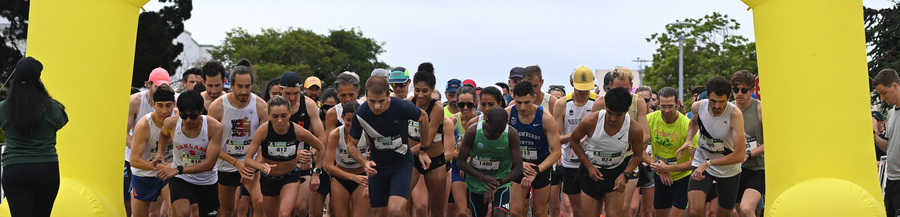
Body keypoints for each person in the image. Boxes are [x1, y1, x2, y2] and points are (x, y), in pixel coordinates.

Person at [346, 75, 429, 217]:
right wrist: (364, 163)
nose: (377, 106)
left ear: (389, 96)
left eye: (381, 101)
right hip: (378, 167)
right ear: (365, 96)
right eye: (372, 101)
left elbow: (424, 118)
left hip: (401, 163)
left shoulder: (401, 107)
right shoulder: (361, 114)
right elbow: (351, 145)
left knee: (395, 210)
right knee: (380, 214)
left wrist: (423, 150)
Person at [0, 57, 68, 217]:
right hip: (46, 169)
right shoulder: (53, 107)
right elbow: (62, 121)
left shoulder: (3, 108)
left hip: (14, 169)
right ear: (38, 79)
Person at [675, 77, 747, 217]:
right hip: (702, 161)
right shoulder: (698, 107)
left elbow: (739, 155)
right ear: (707, 96)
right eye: (713, 101)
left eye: (722, 102)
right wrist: (689, 138)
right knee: (695, 212)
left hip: (728, 170)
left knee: (723, 214)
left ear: (729, 97)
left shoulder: (735, 115)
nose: (717, 106)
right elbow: (694, 122)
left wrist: (709, 163)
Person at [241, 96, 324, 217]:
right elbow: (247, 160)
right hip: (269, 179)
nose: (280, 120)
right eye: (275, 116)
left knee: (284, 214)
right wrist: (260, 166)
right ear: (269, 114)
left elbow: (321, 147)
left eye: (283, 116)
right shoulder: (263, 131)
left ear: (290, 114)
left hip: (289, 178)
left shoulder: (297, 131)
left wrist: (316, 173)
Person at [568, 87, 646, 217]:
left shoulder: (634, 129)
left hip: (616, 172)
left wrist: (625, 174)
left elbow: (638, 155)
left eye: (618, 114)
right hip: (591, 171)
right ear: (605, 107)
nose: (613, 118)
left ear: (626, 111)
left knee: (614, 214)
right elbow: (574, 140)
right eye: (610, 113)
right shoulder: (591, 121)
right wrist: (589, 166)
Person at [207, 59, 268, 217]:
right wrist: (235, 163)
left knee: (260, 203)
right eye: (239, 86)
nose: (244, 91)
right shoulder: (217, 107)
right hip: (227, 164)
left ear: (252, 84)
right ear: (231, 85)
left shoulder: (261, 106)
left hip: (251, 164)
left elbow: (265, 141)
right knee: (228, 209)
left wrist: (255, 165)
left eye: (247, 86)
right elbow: (210, 145)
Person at [153, 90, 224, 217]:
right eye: (184, 116)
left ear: (201, 111)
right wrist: (160, 153)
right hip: (181, 179)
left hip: (206, 180)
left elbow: (209, 164)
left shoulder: (214, 127)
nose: (188, 120)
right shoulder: (171, 123)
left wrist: (178, 169)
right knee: (181, 213)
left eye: (193, 116)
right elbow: (164, 135)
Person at [591, 67, 651, 217]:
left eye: (625, 89)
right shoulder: (600, 103)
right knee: (600, 208)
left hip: (628, 159)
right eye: (617, 89)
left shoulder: (639, 102)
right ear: (610, 86)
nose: (621, 93)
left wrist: (629, 144)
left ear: (631, 86)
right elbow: (591, 134)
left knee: (625, 208)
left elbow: (645, 135)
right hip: (603, 160)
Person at [506, 80, 562, 217]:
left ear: (534, 98)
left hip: (541, 165)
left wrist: (536, 170)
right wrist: (519, 164)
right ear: (513, 98)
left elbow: (556, 152)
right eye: (519, 103)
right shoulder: (508, 114)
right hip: (519, 164)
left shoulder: (545, 117)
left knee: (539, 211)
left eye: (527, 102)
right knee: (515, 211)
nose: (523, 107)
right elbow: (499, 146)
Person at [457, 107, 524, 217]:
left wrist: (498, 183)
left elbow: (518, 168)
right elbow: (460, 162)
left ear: (506, 123)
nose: (497, 135)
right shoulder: (473, 131)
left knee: (499, 215)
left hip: (501, 181)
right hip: (477, 183)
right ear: (486, 121)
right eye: (494, 131)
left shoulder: (511, 134)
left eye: (500, 131)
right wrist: (484, 178)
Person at [278, 71, 328, 217]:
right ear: (280, 90)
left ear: (301, 89)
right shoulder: (274, 106)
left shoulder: (309, 105)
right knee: (285, 210)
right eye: (288, 93)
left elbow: (321, 137)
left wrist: (310, 153)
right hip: (280, 160)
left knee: (301, 208)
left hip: (303, 162)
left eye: (296, 93)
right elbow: (265, 137)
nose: (292, 98)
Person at [406, 63, 452, 217]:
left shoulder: (437, 107)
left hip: (434, 160)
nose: (420, 95)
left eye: (425, 91)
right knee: (402, 201)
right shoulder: (408, 103)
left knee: (437, 208)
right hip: (412, 159)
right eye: (417, 90)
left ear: (432, 90)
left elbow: (427, 141)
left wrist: (402, 152)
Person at [552, 66, 596, 217]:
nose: (584, 92)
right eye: (580, 88)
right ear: (571, 83)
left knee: (592, 210)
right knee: (577, 210)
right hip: (571, 162)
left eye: (587, 88)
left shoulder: (598, 102)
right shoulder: (562, 104)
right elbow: (556, 138)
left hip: (593, 162)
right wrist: (575, 137)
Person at [126, 66, 171, 216]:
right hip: (141, 162)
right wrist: (141, 152)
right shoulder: (135, 102)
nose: (164, 110)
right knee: (136, 211)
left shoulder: (174, 108)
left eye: (165, 87)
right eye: (157, 87)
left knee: (162, 210)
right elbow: (124, 132)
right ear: (149, 84)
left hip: (164, 166)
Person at [647, 87, 695, 217]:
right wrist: (659, 167)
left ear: (678, 104)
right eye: (663, 106)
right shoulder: (650, 119)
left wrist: (668, 169)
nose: (666, 110)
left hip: (682, 178)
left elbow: (695, 161)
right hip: (660, 176)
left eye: (670, 106)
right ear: (658, 104)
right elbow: (639, 150)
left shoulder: (687, 125)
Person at [324, 101, 371, 217]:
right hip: (341, 179)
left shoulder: (366, 133)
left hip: (362, 178)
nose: (351, 124)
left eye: (355, 121)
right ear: (342, 118)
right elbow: (328, 165)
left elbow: (378, 159)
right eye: (348, 120)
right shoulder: (335, 134)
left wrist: (370, 181)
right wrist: (353, 177)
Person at [730, 70, 766, 217]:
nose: (739, 93)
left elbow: (773, 143)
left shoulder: (760, 108)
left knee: (746, 209)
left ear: (752, 90)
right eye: (736, 89)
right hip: (736, 169)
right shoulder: (728, 109)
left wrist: (749, 154)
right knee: (735, 212)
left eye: (744, 90)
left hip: (758, 168)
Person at [448, 85, 480, 217]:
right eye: (461, 105)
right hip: (457, 168)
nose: (465, 108)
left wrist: (471, 159)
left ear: (475, 103)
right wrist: (463, 158)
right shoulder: (452, 122)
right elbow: (448, 151)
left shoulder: (482, 120)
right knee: (462, 212)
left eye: (469, 104)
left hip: (479, 169)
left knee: (476, 212)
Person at [874, 68, 900, 217]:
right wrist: (873, 136)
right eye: (879, 94)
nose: (882, 98)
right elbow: (888, 148)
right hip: (891, 181)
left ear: (895, 86)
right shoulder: (890, 114)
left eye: (884, 93)